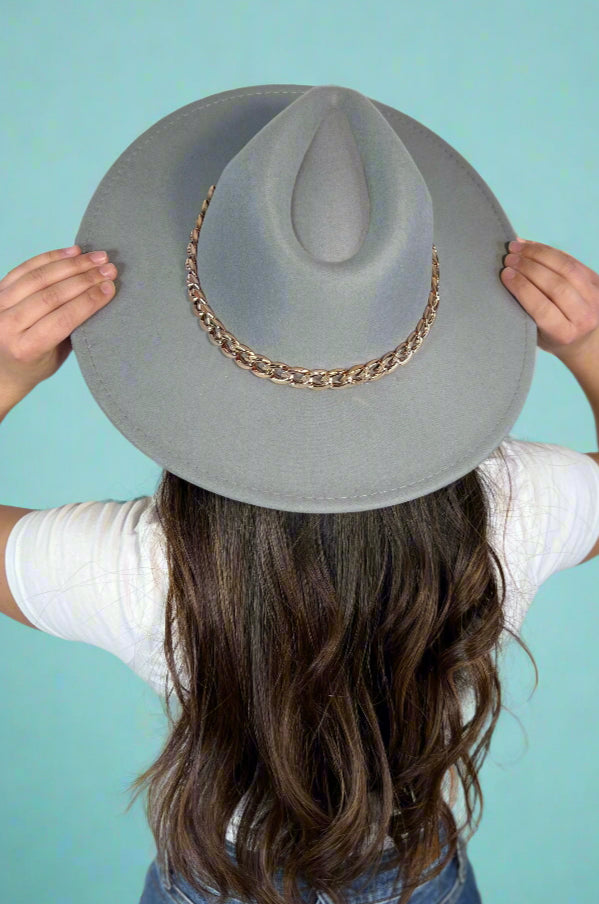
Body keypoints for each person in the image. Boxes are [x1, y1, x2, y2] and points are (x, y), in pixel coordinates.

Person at [1, 84, 599, 904]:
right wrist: (591, 348)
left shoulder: (139, 567)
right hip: (420, 878)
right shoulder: (516, 508)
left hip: (209, 881)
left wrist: (2, 373)